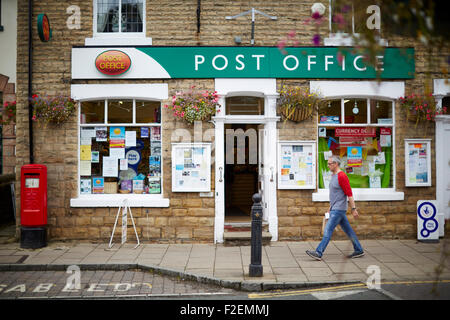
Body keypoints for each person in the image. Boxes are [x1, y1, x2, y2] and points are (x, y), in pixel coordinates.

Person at [306, 155, 364, 260]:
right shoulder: (334, 176)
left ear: (336, 164)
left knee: (328, 230)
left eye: (329, 164)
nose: (328, 166)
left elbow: (349, 193)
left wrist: (353, 209)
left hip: (339, 209)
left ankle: (319, 252)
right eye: (328, 163)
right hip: (336, 208)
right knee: (349, 230)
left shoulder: (342, 176)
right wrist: (330, 207)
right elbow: (335, 194)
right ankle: (359, 249)